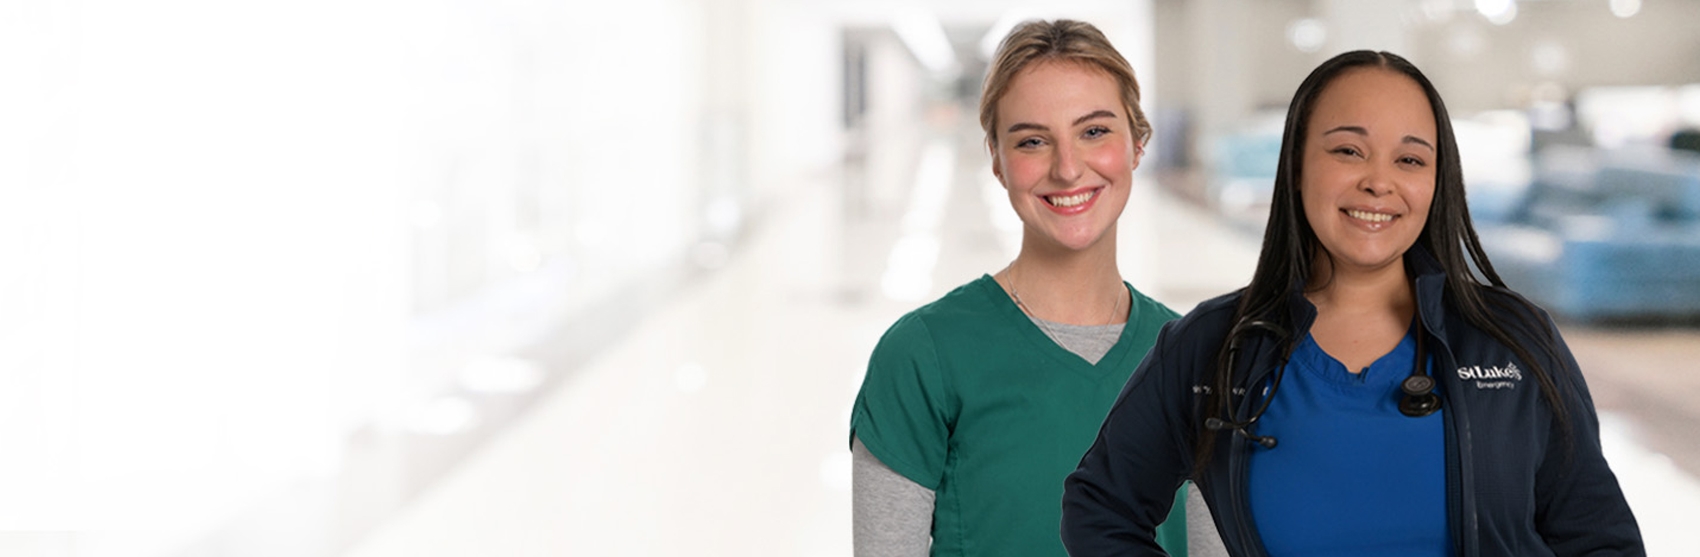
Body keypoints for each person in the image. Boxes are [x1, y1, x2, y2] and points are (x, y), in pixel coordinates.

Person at [1061, 50, 1645, 556]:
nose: (1378, 182)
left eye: (1410, 159)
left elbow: (1599, 538)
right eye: (1348, 150)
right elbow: (1101, 506)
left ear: (1437, 181)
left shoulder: (1514, 341)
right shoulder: (1211, 346)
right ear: (1296, 165)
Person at [849, 19, 1203, 557]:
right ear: (997, 159)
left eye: (1094, 131)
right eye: (1033, 141)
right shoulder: (923, 356)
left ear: (1137, 143)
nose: (1068, 168)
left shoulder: (1194, 362)